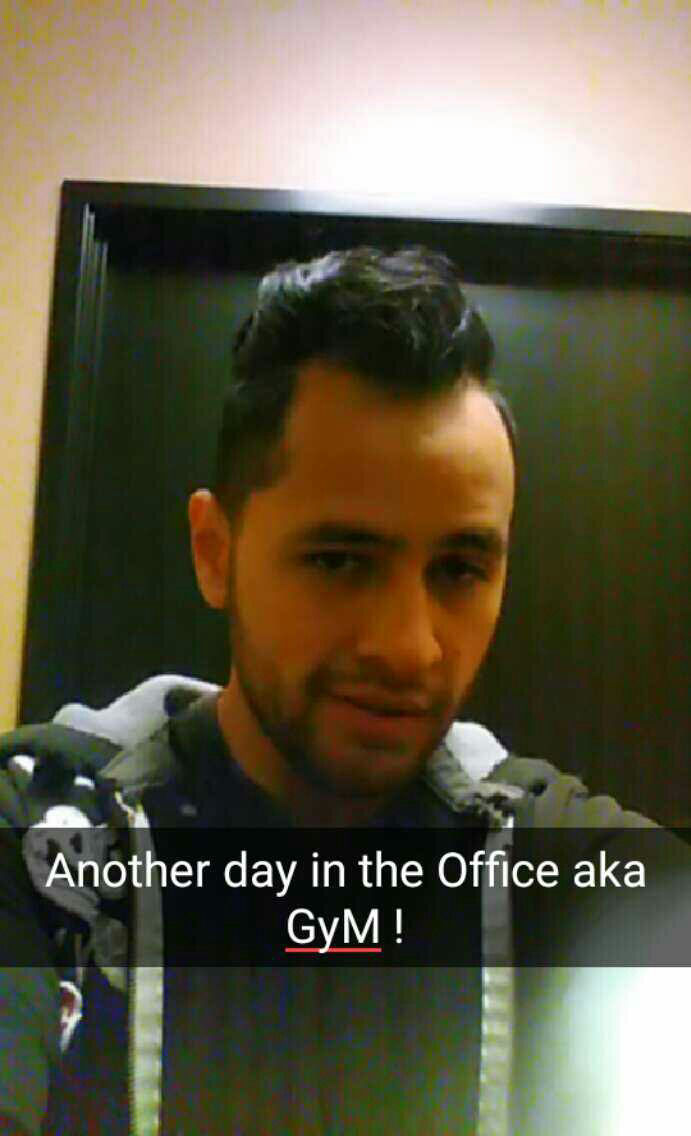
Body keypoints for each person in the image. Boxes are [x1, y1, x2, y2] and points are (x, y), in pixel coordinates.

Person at [0, 247, 687, 1136]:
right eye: (338, 561)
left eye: (459, 569)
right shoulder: (44, 843)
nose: (407, 647)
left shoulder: (549, 854)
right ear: (215, 552)